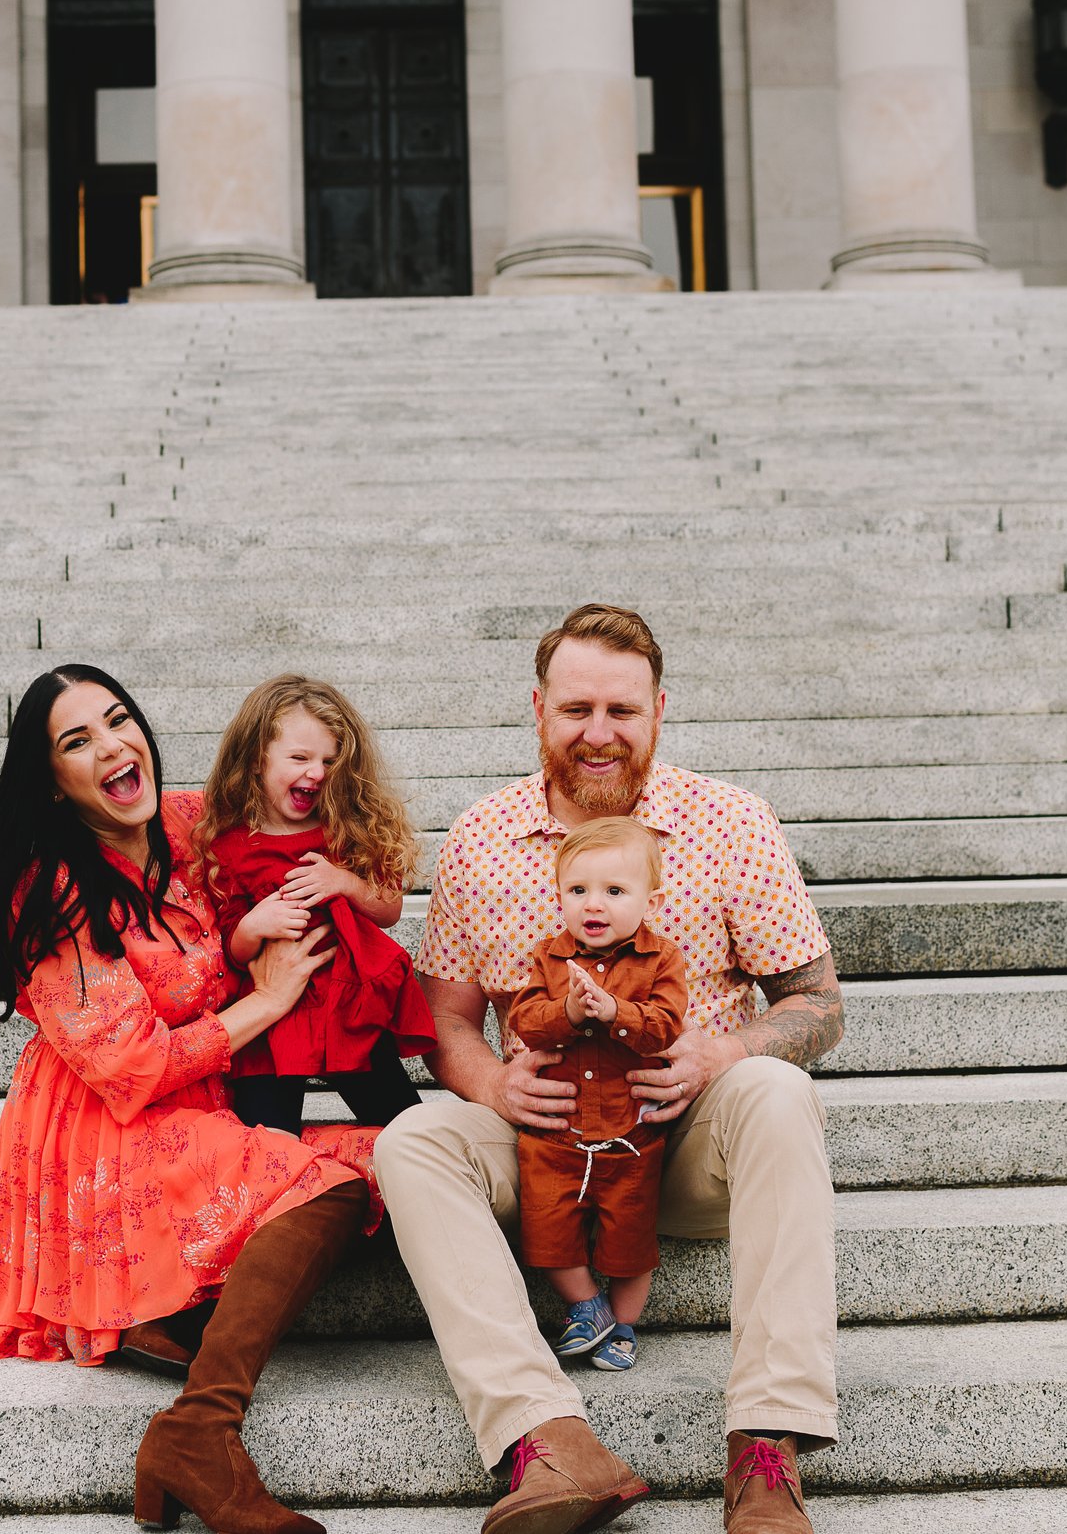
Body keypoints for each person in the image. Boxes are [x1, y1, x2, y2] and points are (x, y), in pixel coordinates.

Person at [373, 604, 844, 1534]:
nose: (599, 733)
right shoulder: (480, 838)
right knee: (414, 1139)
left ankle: (766, 1449)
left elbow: (819, 1003)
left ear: (659, 710)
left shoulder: (731, 822)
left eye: (622, 710)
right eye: (577, 707)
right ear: (538, 708)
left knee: (779, 1089)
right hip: (550, 1148)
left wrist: (724, 1049)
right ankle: (547, 1444)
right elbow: (444, 1019)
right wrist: (490, 1083)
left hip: (686, 1139)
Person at [0, 663, 374, 1534]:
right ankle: (199, 1431)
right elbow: (130, 1066)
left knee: (395, 1157)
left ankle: (173, 1327)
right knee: (333, 1182)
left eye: (118, 719)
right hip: (109, 1124)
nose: (111, 746)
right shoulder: (51, 889)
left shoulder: (188, 823)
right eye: (76, 741)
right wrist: (269, 1000)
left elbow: (298, 789)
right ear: (52, 784)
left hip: (206, 1096)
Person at [197, 674, 437, 1134]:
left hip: (349, 1007)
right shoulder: (229, 844)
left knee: (405, 1127)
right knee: (267, 1139)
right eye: (300, 758)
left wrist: (345, 882)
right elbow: (229, 947)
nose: (318, 773)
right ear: (255, 760)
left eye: (330, 761)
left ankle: (413, 1191)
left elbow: (388, 909)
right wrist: (253, 925)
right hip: (273, 1020)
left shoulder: (345, 830)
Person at [502, 816, 687, 1375]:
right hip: (556, 1135)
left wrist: (615, 1013)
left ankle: (623, 1326)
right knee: (545, 1229)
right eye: (577, 890)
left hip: (632, 1134)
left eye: (614, 891)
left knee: (629, 1240)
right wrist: (569, 1013)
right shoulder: (547, 958)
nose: (593, 905)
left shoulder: (662, 960)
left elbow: (666, 1026)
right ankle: (588, 1308)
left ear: (649, 897)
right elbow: (525, 1021)